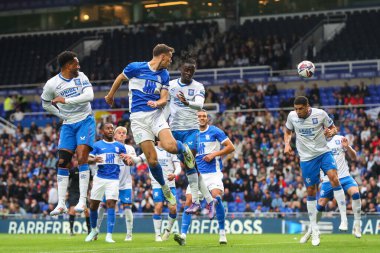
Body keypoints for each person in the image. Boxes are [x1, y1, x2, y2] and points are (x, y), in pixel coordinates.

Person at [104, 44, 195, 207]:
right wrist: (110, 96)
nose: (171, 60)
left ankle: (184, 149)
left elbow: (164, 98)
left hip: (155, 116)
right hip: (138, 120)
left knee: (171, 147)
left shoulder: (164, 75)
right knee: (152, 161)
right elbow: (120, 78)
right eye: (170, 57)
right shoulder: (135, 67)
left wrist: (157, 102)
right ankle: (164, 187)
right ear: (162, 56)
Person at [284, 96, 347, 246]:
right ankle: (315, 228)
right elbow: (287, 132)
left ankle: (344, 218)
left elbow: (333, 128)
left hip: (323, 153)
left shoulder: (320, 114)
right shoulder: (292, 116)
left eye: (301, 108)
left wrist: (331, 133)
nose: (298, 111)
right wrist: (287, 144)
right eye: (296, 109)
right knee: (311, 191)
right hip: (306, 158)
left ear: (308, 106)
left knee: (334, 178)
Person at [41, 51, 95, 215]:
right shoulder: (52, 84)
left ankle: (82, 201)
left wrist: (66, 101)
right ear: (67, 65)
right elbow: (45, 104)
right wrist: (61, 115)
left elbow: (90, 96)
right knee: (62, 162)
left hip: (85, 120)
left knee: (81, 157)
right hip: (68, 124)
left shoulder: (82, 77)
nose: (78, 66)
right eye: (76, 63)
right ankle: (61, 204)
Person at [174, 110, 235, 246]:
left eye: (204, 116)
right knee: (189, 201)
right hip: (197, 175)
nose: (201, 118)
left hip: (213, 173)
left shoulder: (215, 131)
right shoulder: (190, 135)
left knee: (216, 198)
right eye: (199, 116)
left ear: (208, 119)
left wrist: (214, 154)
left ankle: (222, 232)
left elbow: (231, 147)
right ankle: (183, 235)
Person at [166, 54, 215, 214]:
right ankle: (209, 201)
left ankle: (195, 202)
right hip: (174, 132)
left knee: (190, 163)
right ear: (181, 69)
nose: (188, 73)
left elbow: (200, 104)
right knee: (190, 167)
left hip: (191, 130)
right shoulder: (171, 85)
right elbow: (165, 105)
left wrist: (187, 103)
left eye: (191, 71)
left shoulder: (199, 86)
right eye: (186, 70)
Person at [300, 135, 362, 243]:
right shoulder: (317, 143)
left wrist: (348, 147)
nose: (327, 130)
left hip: (344, 176)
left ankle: (357, 225)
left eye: (329, 127)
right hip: (328, 179)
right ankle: (311, 230)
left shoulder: (340, 139)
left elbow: (354, 157)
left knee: (356, 193)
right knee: (320, 205)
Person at [127, 140, 181, 242]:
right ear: (158, 139)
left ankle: (168, 230)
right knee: (158, 206)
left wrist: (175, 174)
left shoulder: (171, 150)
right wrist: (130, 157)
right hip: (157, 184)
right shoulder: (151, 150)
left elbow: (178, 167)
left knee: (173, 209)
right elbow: (138, 159)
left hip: (170, 184)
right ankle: (157, 235)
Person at [85, 123, 127, 243]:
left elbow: (126, 161)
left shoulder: (120, 146)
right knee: (93, 205)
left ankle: (109, 235)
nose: (110, 130)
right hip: (99, 178)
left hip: (113, 179)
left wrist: (128, 160)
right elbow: (87, 159)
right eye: (108, 128)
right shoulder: (97, 145)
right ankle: (94, 230)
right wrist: (94, 159)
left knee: (111, 204)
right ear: (102, 131)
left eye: (112, 128)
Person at [95, 126, 136, 241]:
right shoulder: (109, 147)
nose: (122, 134)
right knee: (102, 206)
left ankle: (129, 234)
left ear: (126, 136)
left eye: (124, 133)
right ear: (115, 135)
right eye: (119, 133)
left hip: (125, 184)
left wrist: (128, 159)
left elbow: (132, 162)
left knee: (127, 207)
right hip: (110, 182)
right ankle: (96, 231)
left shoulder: (129, 148)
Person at [68, 162, 91, 236]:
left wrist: (89, 192)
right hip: (73, 192)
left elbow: (90, 181)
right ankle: (71, 230)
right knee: (72, 210)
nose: (76, 162)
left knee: (86, 211)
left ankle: (89, 230)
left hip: (83, 193)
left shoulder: (87, 170)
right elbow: (66, 180)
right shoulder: (72, 170)